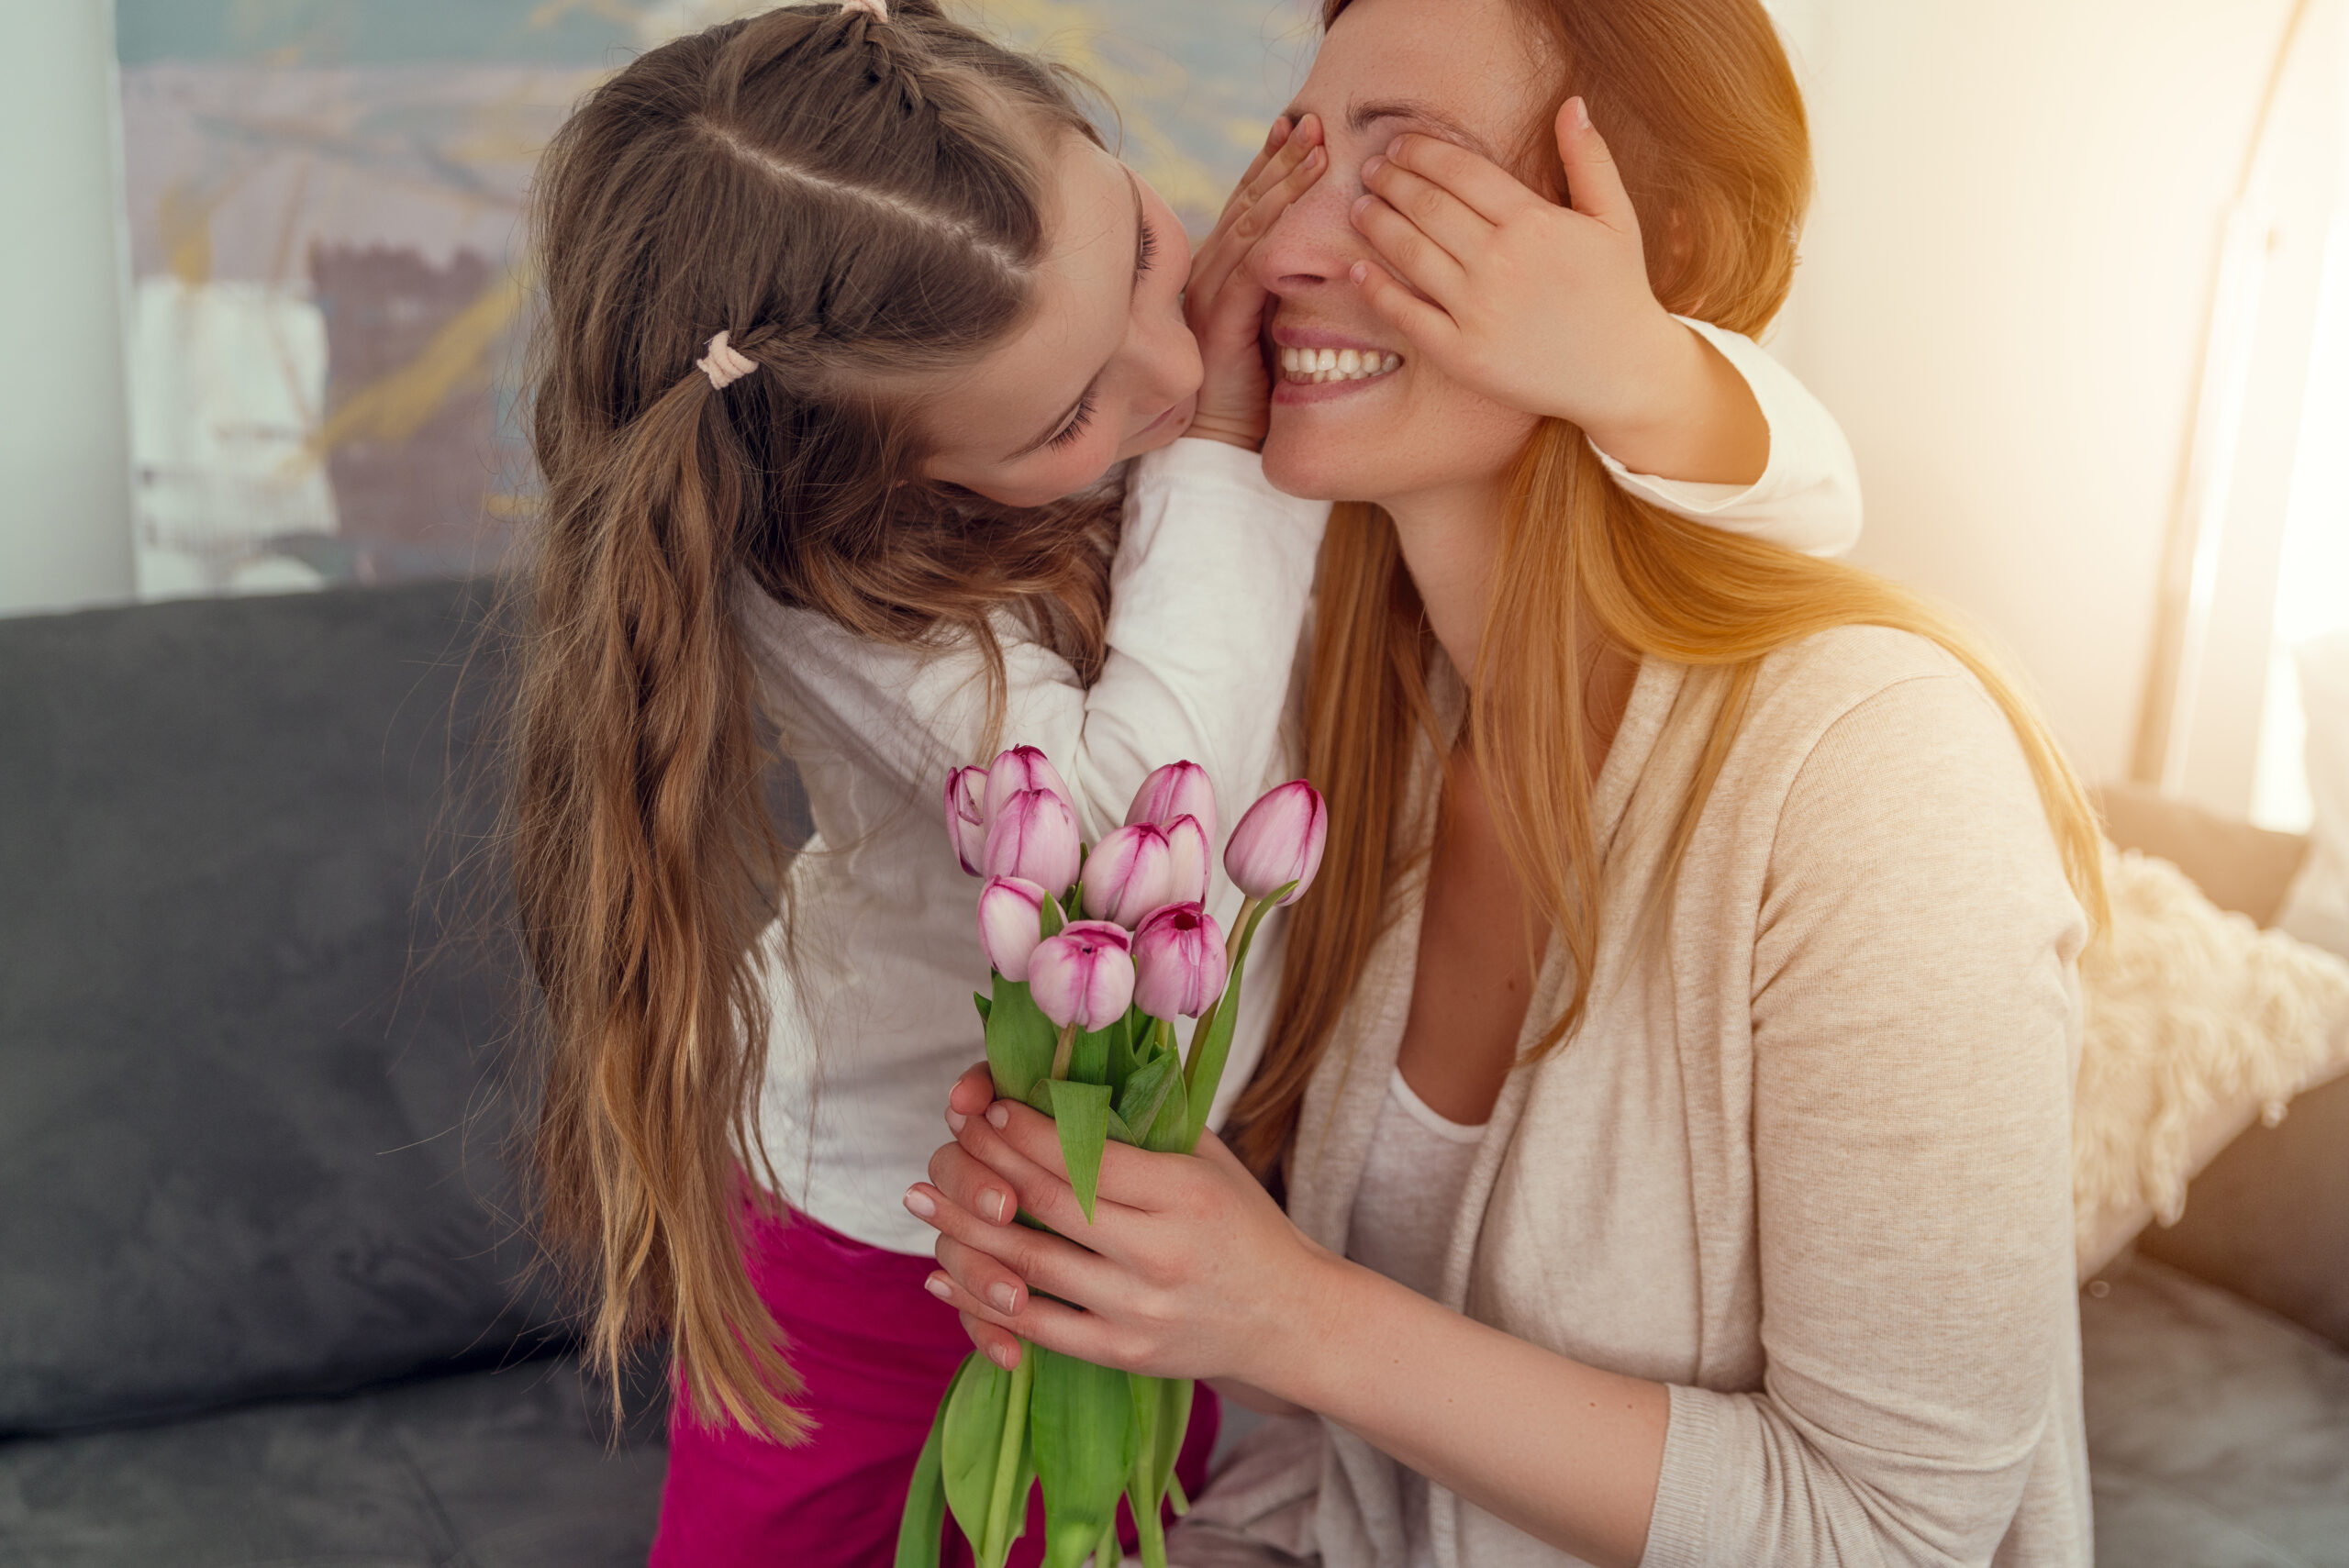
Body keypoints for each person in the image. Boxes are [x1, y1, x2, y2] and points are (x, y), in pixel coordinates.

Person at [504, 1, 1863, 1562]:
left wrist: (1635, 363)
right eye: (1075, 411)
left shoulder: (1130, 350)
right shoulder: (820, 570)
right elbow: (1135, 836)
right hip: (881, 1235)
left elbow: (1814, 505)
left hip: (1162, 1209)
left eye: (1148, 248)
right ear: (883, 480)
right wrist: (1219, 440)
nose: (1181, 355)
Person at [910, 0, 2108, 1564]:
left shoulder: (1878, 775)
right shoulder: (1355, 724)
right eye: (1298, 155)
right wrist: (1093, 1226)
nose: (1277, 255)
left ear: (1648, 255)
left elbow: (1889, 1529)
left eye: (1410, 179)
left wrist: (1289, 1316)